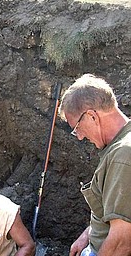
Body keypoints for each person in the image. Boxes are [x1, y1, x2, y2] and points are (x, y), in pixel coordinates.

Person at [58, 74, 131, 256]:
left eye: (77, 128)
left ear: (91, 116)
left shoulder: (123, 156)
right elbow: (115, 211)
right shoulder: (118, 146)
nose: (80, 136)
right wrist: (88, 235)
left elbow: (121, 244)